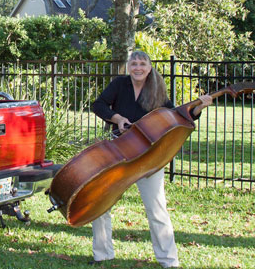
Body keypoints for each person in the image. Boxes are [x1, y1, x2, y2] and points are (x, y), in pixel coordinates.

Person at [90, 50, 212, 267]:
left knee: (156, 208)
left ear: (149, 67)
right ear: (129, 66)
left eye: (142, 64)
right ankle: (102, 254)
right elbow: (98, 105)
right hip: (118, 153)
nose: (138, 67)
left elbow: (175, 117)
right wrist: (117, 118)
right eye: (134, 63)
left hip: (148, 157)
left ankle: (169, 260)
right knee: (101, 202)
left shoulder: (157, 88)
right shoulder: (120, 84)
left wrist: (199, 107)